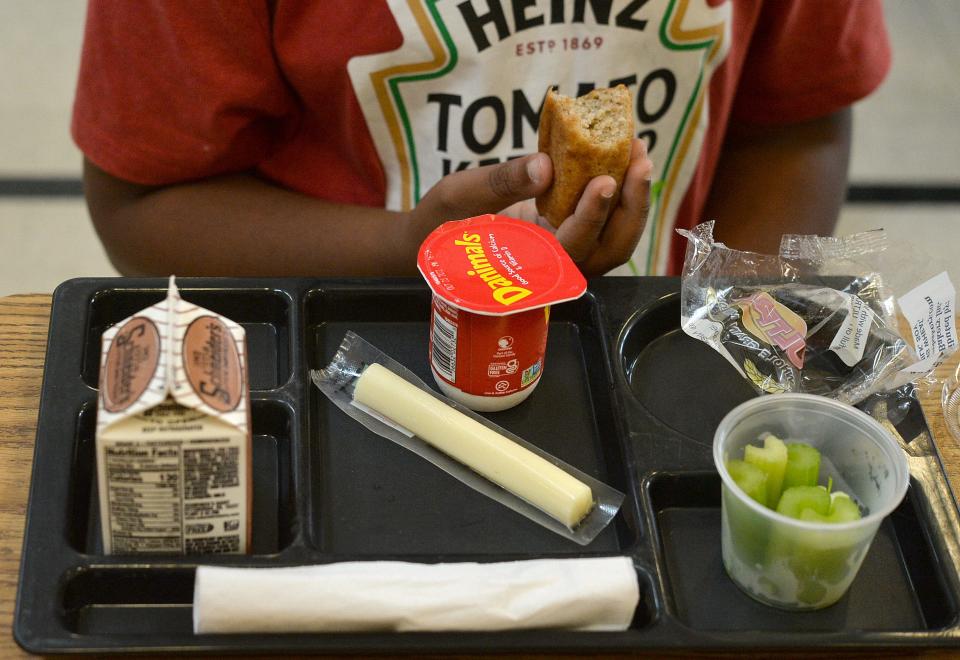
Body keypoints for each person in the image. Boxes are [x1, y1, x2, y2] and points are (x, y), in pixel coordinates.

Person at [72, 1, 890, 278]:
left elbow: (796, 117)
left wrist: (727, 332)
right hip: (356, 360)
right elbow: (145, 200)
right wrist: (404, 248)